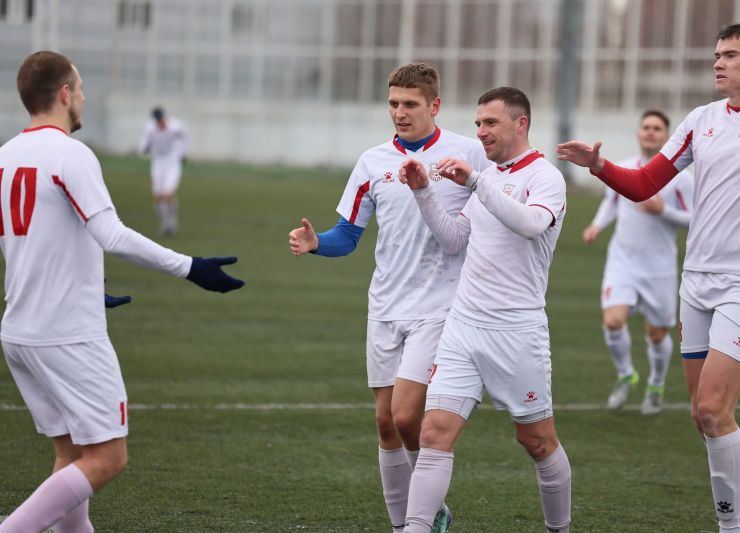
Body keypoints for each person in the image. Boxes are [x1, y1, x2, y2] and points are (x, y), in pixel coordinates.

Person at [557, 20, 740, 533]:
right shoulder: (700, 119)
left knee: (713, 409)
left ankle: (732, 527)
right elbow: (644, 183)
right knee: (705, 416)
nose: (719, 63)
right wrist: (599, 166)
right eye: (717, 55)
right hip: (697, 281)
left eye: (731, 55)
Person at [0, 50, 244, 533]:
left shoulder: (6, 155)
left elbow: (25, 240)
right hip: (66, 333)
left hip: (20, 331)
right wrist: (189, 266)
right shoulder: (71, 154)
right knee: (108, 457)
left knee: (73, 454)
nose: (83, 97)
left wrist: (83, 286)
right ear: (64, 93)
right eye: (81, 88)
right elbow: (111, 234)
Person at [288, 63, 490, 532]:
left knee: (405, 415)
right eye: (394, 104)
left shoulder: (467, 153)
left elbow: (493, 206)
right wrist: (317, 242)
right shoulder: (372, 162)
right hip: (384, 306)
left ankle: (424, 506)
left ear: (434, 105)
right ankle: (413, 522)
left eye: (410, 104)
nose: (400, 112)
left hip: (439, 307)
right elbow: (348, 234)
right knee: (385, 424)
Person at [398, 87, 571, 533]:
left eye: (490, 122)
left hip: (516, 332)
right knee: (434, 432)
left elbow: (531, 225)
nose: (480, 132)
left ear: (521, 123)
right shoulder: (489, 177)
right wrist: (424, 193)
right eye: (477, 123)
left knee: (537, 441)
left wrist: (476, 181)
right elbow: (456, 239)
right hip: (463, 326)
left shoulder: (545, 177)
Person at [581, 110, 694, 414]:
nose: (650, 132)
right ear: (638, 133)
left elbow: (697, 220)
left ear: (667, 136)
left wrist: (663, 211)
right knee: (613, 321)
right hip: (622, 262)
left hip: (659, 268)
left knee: (656, 335)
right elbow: (611, 201)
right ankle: (625, 374)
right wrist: (597, 225)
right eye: (646, 127)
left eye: (657, 128)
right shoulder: (623, 169)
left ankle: (656, 384)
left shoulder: (681, 179)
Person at [139, 106, 188, 236]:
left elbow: (184, 137)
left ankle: (172, 222)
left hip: (172, 163)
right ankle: (165, 224)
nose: (160, 122)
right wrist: (145, 148)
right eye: (157, 120)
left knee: (167, 194)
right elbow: (143, 147)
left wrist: (183, 153)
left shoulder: (175, 126)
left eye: (161, 119)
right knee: (158, 197)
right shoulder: (150, 129)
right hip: (158, 165)